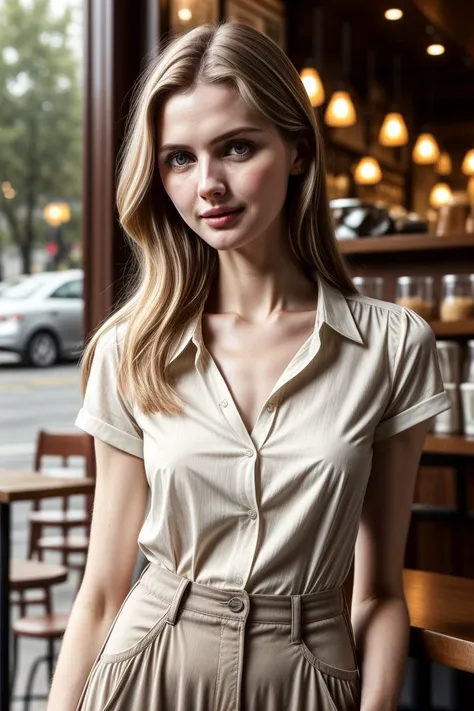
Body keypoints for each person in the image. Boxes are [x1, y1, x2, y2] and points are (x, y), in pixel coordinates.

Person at [46, 21, 450, 711]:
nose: (209, 185)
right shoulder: (132, 348)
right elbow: (103, 592)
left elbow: (380, 592)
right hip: (148, 671)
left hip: (307, 680)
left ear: (296, 150)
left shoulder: (392, 346)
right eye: (178, 158)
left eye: (236, 147)